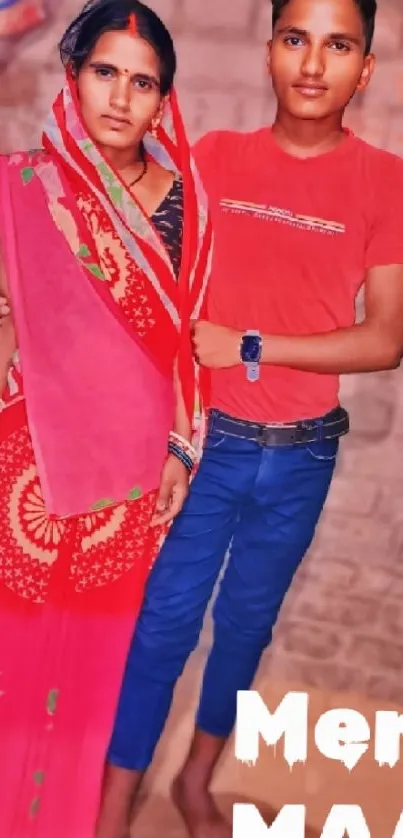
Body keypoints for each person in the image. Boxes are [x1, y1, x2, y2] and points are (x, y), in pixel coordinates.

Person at [96, 0, 403, 836]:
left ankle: (196, 781)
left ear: (363, 69)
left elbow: (383, 341)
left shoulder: (385, 179)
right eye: (295, 39)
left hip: (302, 459)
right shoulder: (215, 160)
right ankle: (114, 806)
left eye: (338, 45)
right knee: (161, 630)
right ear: (269, 53)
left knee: (245, 630)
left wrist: (253, 344)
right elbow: (151, 284)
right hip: (207, 448)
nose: (313, 62)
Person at [0, 0, 211, 835]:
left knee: (87, 679)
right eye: (104, 72)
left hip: (128, 477)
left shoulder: (187, 206)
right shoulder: (21, 186)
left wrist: (180, 452)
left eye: (143, 81)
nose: (121, 97)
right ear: (72, 75)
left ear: (164, 100)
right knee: (12, 666)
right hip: (22, 461)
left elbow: (192, 347)